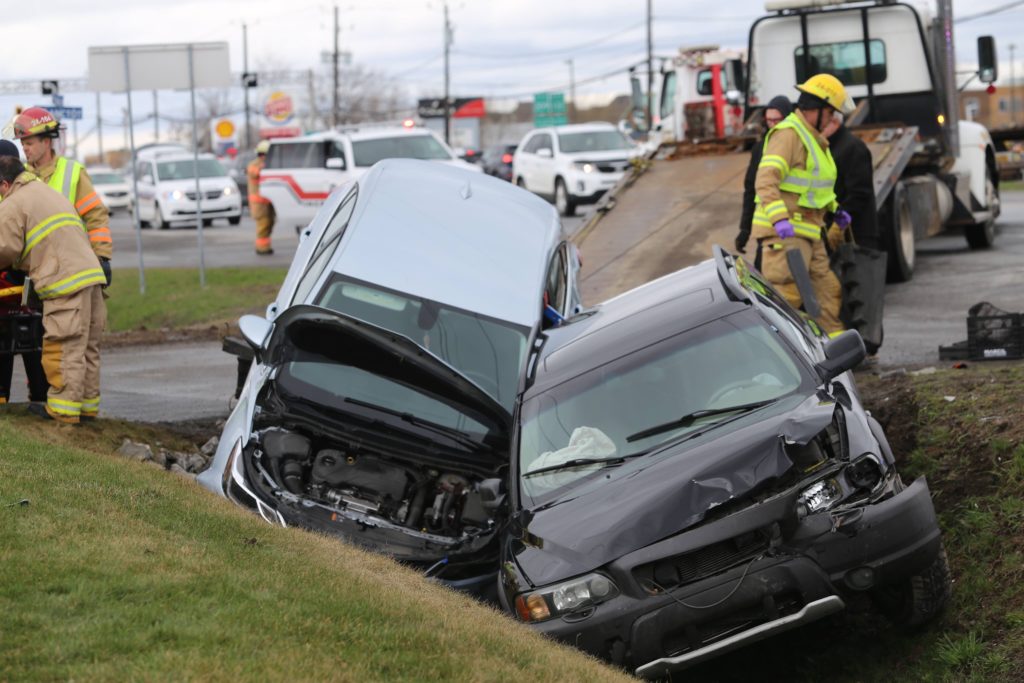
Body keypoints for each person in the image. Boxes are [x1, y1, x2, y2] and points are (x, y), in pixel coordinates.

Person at [0, 157, 107, 423]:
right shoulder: (45, 192)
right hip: (90, 277)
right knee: (86, 348)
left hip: (64, 282)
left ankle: (62, 413)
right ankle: (87, 409)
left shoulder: (14, 202)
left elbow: (4, 248)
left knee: (63, 346)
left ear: (4, 183)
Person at [751, 73, 855, 337]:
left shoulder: (812, 138)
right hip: (786, 235)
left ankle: (837, 354)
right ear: (817, 109)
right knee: (787, 299)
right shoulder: (789, 135)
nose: (833, 119)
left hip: (808, 231)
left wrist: (834, 209)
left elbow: (811, 187)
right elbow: (765, 180)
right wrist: (779, 220)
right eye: (831, 112)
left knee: (827, 292)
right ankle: (788, 361)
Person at [10, 107, 113, 284]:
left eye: (29, 143)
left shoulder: (73, 172)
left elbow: (96, 216)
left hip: (69, 268)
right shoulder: (19, 177)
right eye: (22, 144)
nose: (24, 149)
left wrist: (102, 257)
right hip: (31, 272)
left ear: (47, 142)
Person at [0, 140, 48, 406]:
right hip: (17, 280)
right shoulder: (28, 187)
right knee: (13, 347)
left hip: (23, 279)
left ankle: (39, 399)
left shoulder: (20, 192)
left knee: (33, 345)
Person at [736, 95, 793, 255]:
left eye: (777, 120)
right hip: (767, 227)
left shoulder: (797, 146)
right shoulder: (760, 149)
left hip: (793, 225)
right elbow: (750, 189)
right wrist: (745, 229)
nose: (773, 125)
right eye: (769, 121)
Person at [248, 140, 275, 255]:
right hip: (259, 203)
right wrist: (266, 165)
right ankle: (261, 248)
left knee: (270, 223)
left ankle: (266, 247)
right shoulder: (254, 165)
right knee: (263, 225)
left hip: (268, 201)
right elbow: (256, 173)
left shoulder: (266, 164)